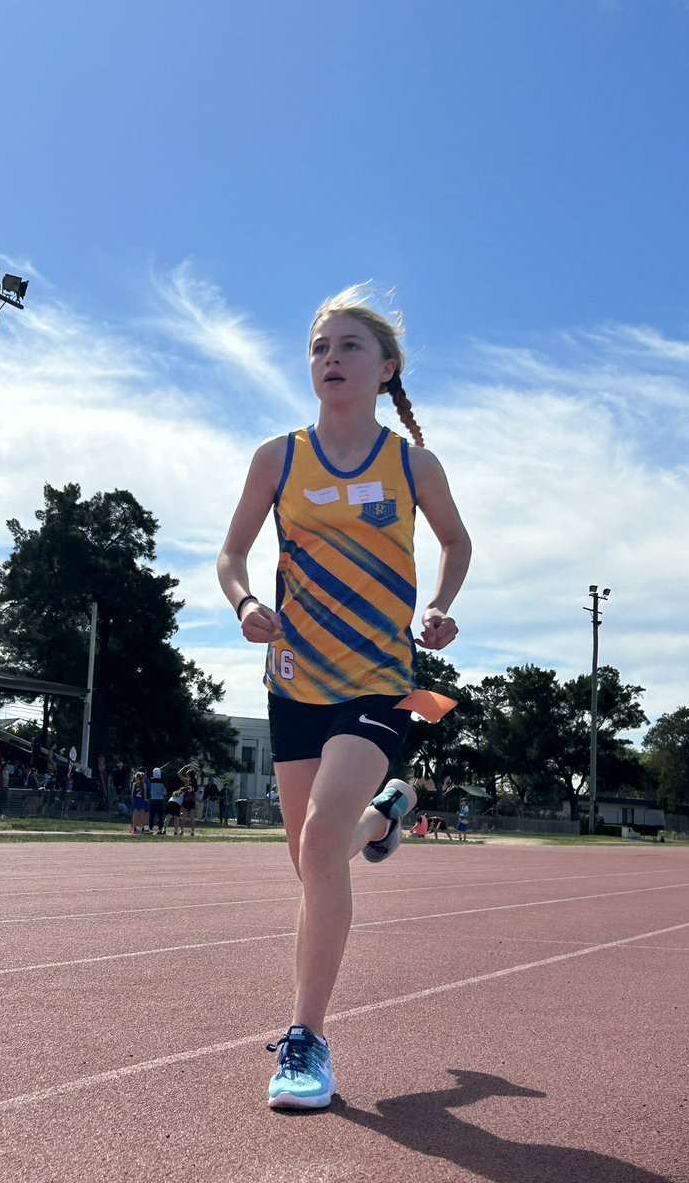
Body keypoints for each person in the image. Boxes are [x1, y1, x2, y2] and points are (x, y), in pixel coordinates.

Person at [217, 285, 471, 1109]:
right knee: (311, 858)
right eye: (320, 348)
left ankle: (307, 1038)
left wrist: (439, 606)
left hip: (381, 680)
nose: (331, 359)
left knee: (321, 841)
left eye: (350, 346)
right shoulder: (278, 458)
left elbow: (456, 540)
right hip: (295, 681)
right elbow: (231, 554)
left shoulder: (412, 464)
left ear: (385, 367)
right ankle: (385, 819)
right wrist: (245, 604)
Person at [148, 768, 167, 833]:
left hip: (152, 799)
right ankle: (160, 829)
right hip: (160, 800)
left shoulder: (150, 781)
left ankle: (150, 828)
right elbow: (165, 792)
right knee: (160, 815)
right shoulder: (162, 781)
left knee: (151, 815)